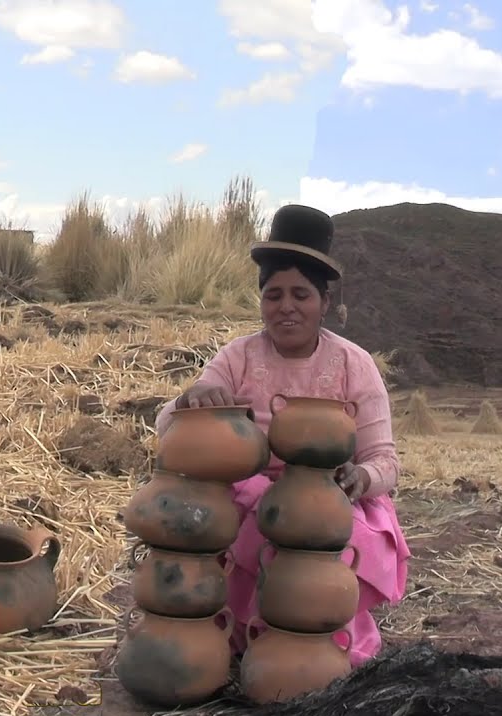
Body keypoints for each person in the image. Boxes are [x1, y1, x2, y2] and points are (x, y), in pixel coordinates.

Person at [153, 204, 410, 666]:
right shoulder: (237, 357)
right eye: (273, 295)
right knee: (234, 518)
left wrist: (360, 479)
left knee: (323, 536)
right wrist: (193, 398)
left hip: (331, 497)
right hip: (251, 492)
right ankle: (245, 636)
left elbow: (386, 461)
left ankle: (318, 646)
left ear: (325, 302)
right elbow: (167, 428)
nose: (286, 307)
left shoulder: (354, 364)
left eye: (300, 294)